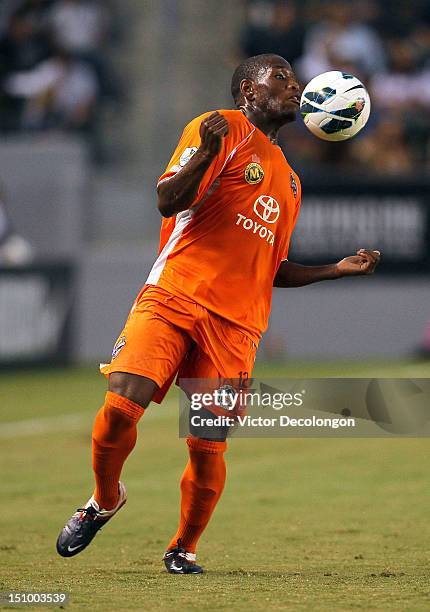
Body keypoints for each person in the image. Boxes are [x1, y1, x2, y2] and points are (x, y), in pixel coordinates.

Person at [56, 54, 380, 574]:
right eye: (282, 79)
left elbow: (270, 268)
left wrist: (335, 269)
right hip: (174, 296)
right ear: (249, 92)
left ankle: (182, 548)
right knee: (120, 406)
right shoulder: (221, 128)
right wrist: (205, 152)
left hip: (236, 326)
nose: (295, 87)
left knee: (207, 447)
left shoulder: (292, 184)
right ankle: (104, 499)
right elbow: (167, 200)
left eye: (296, 80)